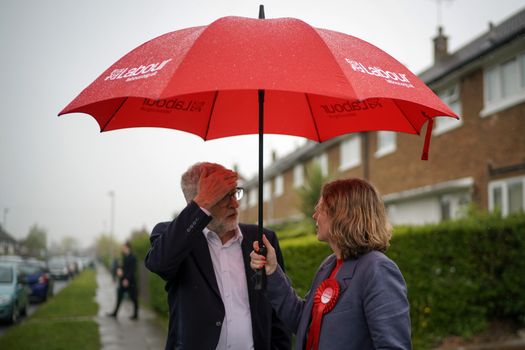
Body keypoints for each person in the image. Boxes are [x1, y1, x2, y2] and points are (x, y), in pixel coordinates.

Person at [250, 178, 412, 350]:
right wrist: (273, 270)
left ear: (342, 214)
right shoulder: (329, 265)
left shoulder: (378, 269)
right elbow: (303, 321)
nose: (314, 216)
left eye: (319, 210)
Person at [145, 162, 291, 350]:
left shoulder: (262, 239)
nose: (235, 203)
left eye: (234, 192)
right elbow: (159, 263)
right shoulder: (172, 237)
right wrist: (202, 204)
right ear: (197, 203)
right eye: (223, 196)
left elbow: (277, 310)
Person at [107, 241, 139, 320]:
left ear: (128, 247)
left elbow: (132, 270)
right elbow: (123, 267)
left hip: (130, 281)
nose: (122, 248)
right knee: (119, 296)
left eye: (123, 247)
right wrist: (119, 269)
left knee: (134, 298)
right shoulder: (124, 256)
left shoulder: (133, 257)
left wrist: (127, 279)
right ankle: (115, 313)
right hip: (123, 280)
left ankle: (135, 315)